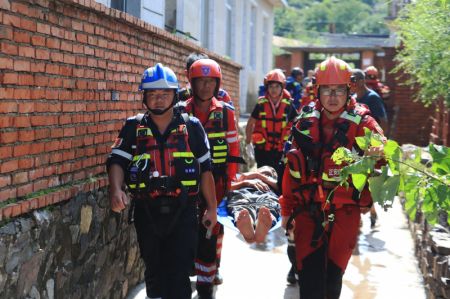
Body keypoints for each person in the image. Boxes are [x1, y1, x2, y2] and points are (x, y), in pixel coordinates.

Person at [106, 63, 217, 299]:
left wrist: (212, 209)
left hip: (184, 209)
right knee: (154, 270)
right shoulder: (132, 127)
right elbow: (117, 161)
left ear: (174, 95)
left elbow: (206, 170)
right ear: (144, 97)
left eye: (164, 94)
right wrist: (116, 190)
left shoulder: (192, 127)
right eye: (153, 94)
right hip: (147, 210)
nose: (158, 99)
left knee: (178, 273)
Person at [280, 56, 385, 299]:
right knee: (309, 280)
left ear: (349, 90)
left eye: (339, 90)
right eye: (327, 89)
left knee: (333, 280)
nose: (333, 96)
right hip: (307, 210)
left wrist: (378, 154)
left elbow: (383, 157)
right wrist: (286, 211)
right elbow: (290, 169)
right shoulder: (304, 122)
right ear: (317, 91)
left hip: (344, 212)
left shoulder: (364, 123)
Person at [183, 58, 241, 299]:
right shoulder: (180, 111)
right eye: (201, 82)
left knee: (211, 232)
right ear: (192, 83)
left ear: (217, 84)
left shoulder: (226, 113)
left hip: (216, 183)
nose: (205, 87)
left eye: (210, 82)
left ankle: (206, 285)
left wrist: (229, 186)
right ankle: (185, 278)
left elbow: (233, 151)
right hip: (186, 184)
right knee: (186, 232)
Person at [351, 69, 389, 227]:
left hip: (371, 148)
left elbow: (383, 121)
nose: (350, 84)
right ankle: (360, 217)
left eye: (353, 81)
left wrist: (380, 145)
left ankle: (371, 213)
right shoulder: (353, 98)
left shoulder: (372, 98)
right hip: (356, 146)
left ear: (361, 81)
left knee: (368, 181)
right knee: (357, 182)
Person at [245, 69, 298, 173]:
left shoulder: (288, 105)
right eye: (271, 86)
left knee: (279, 178)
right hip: (262, 149)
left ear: (282, 87)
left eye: (277, 86)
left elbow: (297, 123)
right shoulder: (261, 104)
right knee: (262, 176)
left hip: (281, 150)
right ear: (267, 88)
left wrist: (294, 144)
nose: (274, 89)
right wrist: (248, 143)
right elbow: (250, 123)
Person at [227, 166, 280, 244]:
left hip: (266, 196)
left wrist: (258, 175)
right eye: (263, 171)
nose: (265, 174)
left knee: (268, 208)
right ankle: (248, 227)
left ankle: (262, 226)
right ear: (257, 170)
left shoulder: (273, 183)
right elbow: (227, 188)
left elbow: (281, 188)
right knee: (242, 208)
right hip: (243, 194)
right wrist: (246, 182)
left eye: (269, 174)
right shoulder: (244, 177)